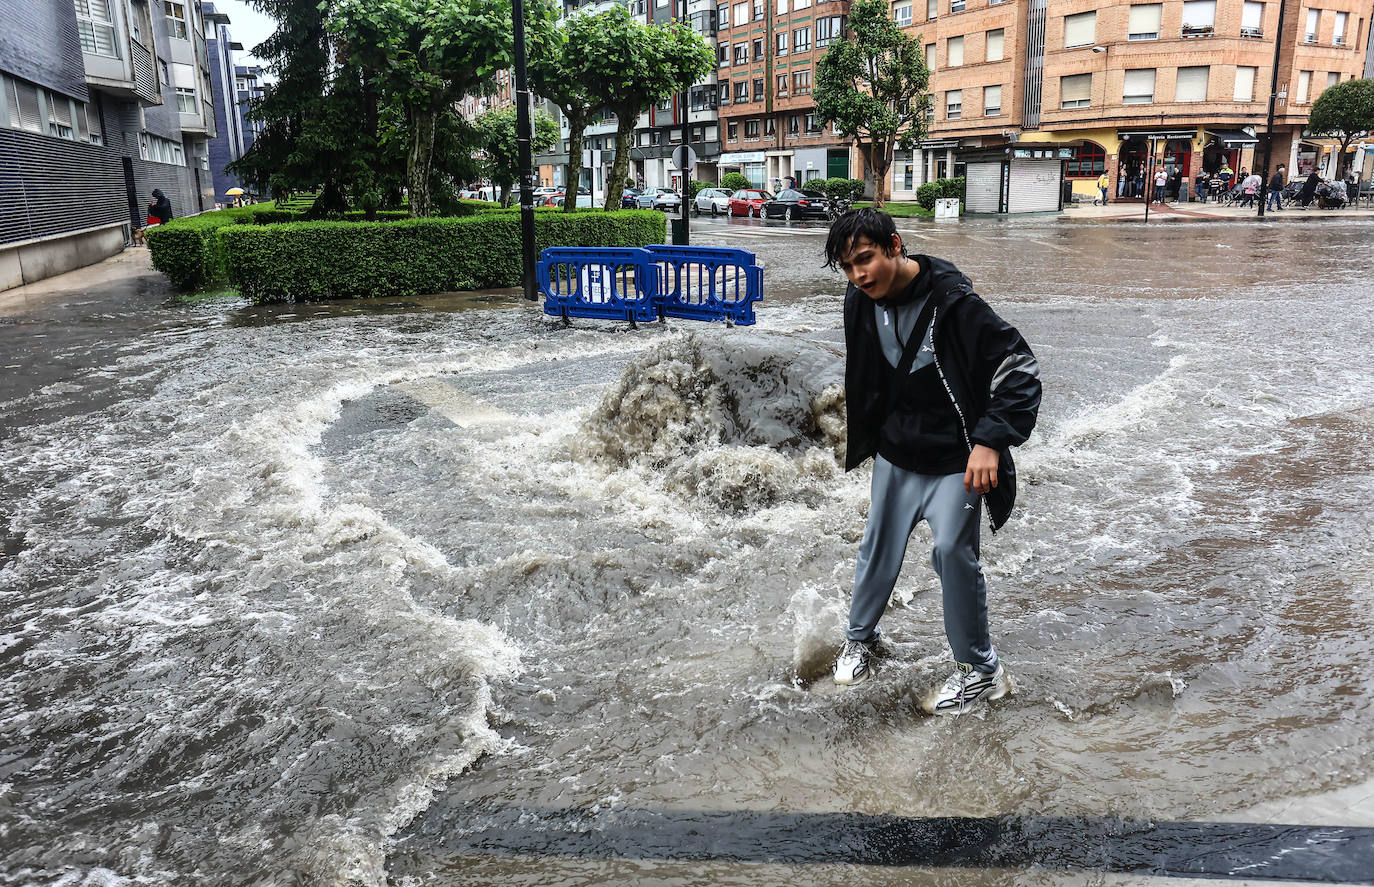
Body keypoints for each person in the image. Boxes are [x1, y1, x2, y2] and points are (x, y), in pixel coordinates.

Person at [826, 209, 1042, 715]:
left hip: (957, 460)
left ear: (895, 246)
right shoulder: (859, 301)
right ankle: (862, 639)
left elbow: (1020, 369)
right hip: (898, 454)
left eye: (865, 259)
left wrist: (990, 441)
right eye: (847, 266)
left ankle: (981, 671)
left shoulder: (955, 303)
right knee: (877, 545)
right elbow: (867, 374)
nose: (859, 275)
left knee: (952, 552)